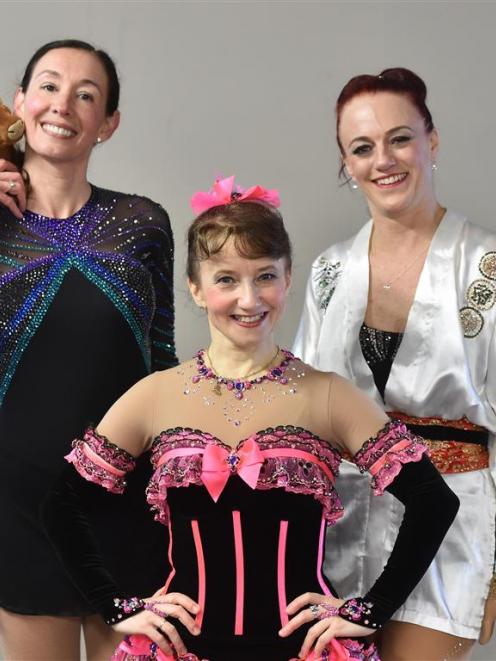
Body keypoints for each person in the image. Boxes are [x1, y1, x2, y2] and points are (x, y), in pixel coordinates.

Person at [42, 175, 459, 661]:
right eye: (226, 279)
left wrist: (370, 610)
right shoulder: (155, 395)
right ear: (196, 290)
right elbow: (61, 506)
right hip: (181, 651)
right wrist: (113, 606)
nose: (249, 299)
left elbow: (433, 500)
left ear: (287, 278)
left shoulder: (327, 395)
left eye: (265, 275)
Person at [294, 67, 496, 660]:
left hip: (452, 521)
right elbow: (304, 409)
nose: (383, 159)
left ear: (431, 141)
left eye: (400, 138)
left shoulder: (486, 264)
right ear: (347, 164)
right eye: (362, 147)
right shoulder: (330, 272)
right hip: (339, 521)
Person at [0, 40, 176, 661]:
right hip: (18, 501)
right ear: (19, 102)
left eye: (86, 95)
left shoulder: (143, 222)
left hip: (125, 502)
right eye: (48, 86)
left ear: (109, 123)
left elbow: (164, 366)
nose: (63, 105)